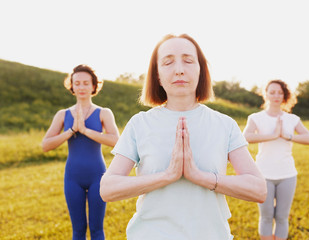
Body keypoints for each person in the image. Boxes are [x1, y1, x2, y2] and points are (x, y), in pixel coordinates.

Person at [99, 33, 267, 240]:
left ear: (200, 70)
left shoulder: (224, 124)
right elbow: (108, 188)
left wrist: (199, 176)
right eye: (168, 62)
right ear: (157, 75)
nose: (179, 69)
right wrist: (167, 176)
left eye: (188, 61)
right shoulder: (140, 124)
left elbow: (258, 189)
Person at [42, 64, 119, 240]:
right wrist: (70, 131)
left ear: (93, 86)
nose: (81, 87)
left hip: (97, 176)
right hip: (73, 178)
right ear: (72, 86)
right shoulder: (63, 114)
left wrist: (85, 131)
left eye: (86, 83)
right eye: (77, 83)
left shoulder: (104, 113)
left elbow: (115, 140)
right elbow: (45, 145)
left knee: (97, 229)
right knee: (78, 230)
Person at [243, 79, 309, 240]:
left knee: (282, 217)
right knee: (266, 216)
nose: (276, 95)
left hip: (287, 174)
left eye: (280, 92)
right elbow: (245, 137)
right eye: (272, 92)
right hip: (263, 174)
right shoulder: (255, 117)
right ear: (265, 94)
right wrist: (273, 136)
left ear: (284, 96)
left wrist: (287, 136)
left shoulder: (292, 119)